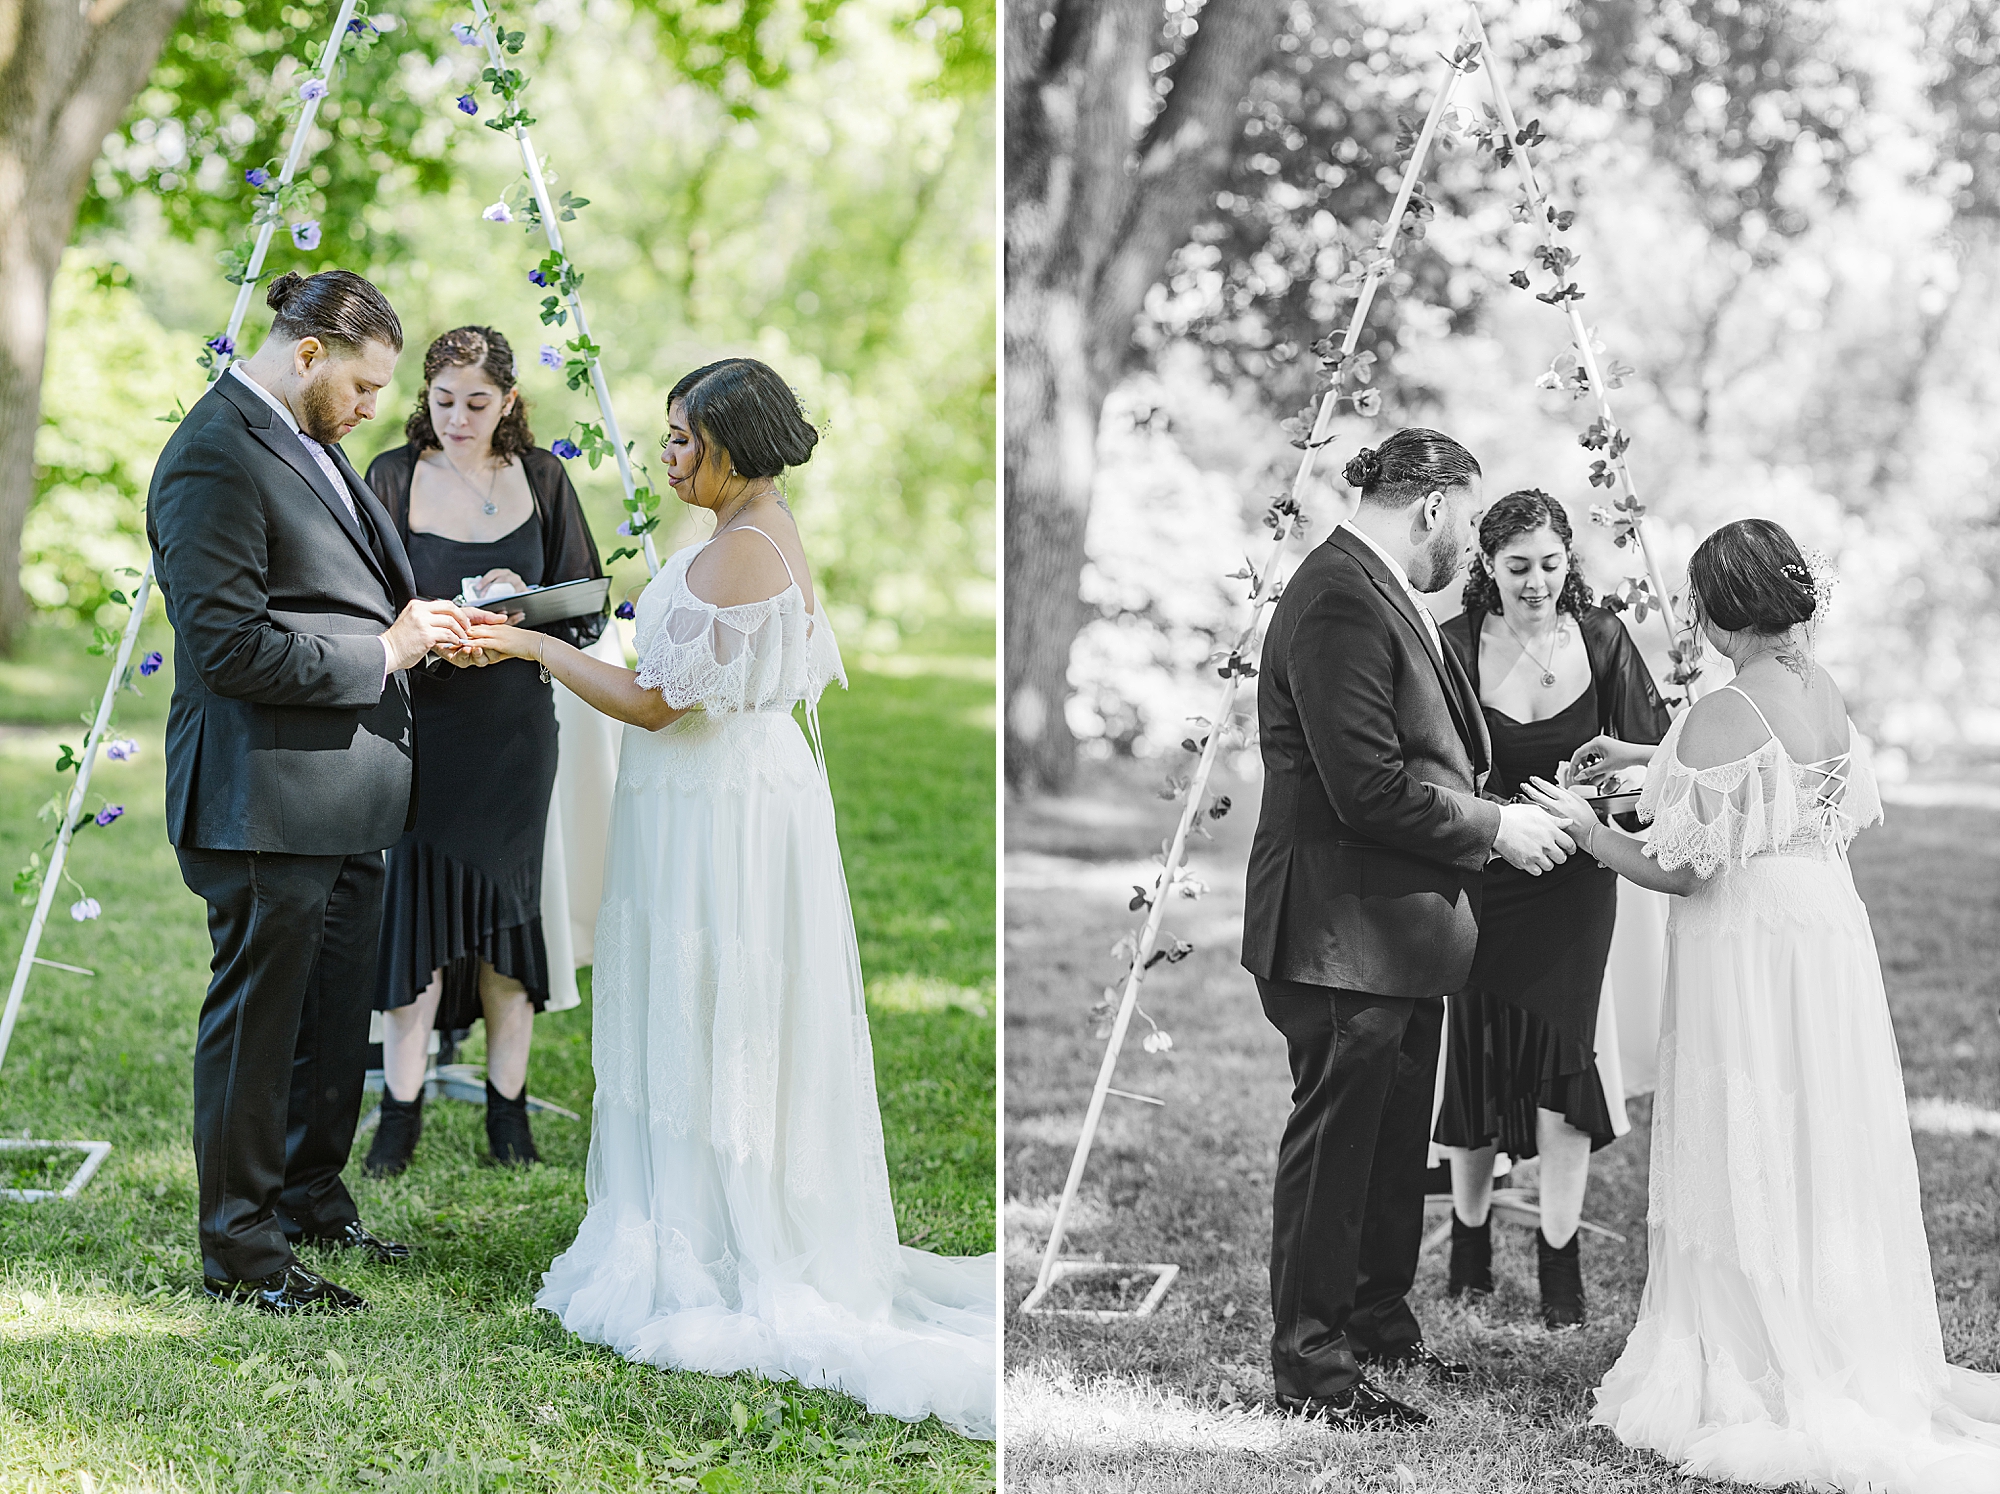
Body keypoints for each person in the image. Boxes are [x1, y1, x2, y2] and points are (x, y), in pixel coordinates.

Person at [457, 357, 996, 1438]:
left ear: (733, 445)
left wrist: (524, 644)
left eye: (679, 440)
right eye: (664, 437)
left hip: (722, 819)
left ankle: (718, 1226)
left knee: (719, 1003)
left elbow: (656, 707)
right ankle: (683, 1202)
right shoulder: (739, 532)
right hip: (712, 802)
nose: (665, 457)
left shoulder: (746, 550)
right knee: (689, 1000)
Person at [1523, 519, 2000, 1492]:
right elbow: (1756, 780)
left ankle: (1753, 1348)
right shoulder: (1814, 689)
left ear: (1710, 610)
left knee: (1748, 1121)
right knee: (1814, 1135)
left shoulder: (1720, 709)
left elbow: (1676, 867)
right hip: (1819, 934)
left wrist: (1581, 826)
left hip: (1746, 942)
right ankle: (1829, 1331)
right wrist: (1638, 752)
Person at [146, 270, 501, 1314]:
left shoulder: (320, 450)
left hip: (347, 798)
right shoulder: (212, 455)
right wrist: (386, 652)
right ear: (306, 355)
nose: (372, 408)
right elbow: (227, 646)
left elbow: (344, 599)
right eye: (363, 383)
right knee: (261, 1026)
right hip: (264, 795)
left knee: (333, 1013)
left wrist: (428, 626)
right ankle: (242, 1254)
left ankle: (309, 1198)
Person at [1239, 429, 1577, 1429]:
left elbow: (1424, 758)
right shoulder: (1340, 595)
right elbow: (1366, 788)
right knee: (1334, 1154)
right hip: (1338, 931)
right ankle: (1311, 1371)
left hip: (1393, 933)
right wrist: (1496, 830)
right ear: (1432, 506)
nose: (1471, 546)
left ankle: (1377, 1326)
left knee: (1389, 1151)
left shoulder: (1376, 588)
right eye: (1471, 522)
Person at [360, 326, 607, 1177]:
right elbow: (360, 605)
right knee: (415, 920)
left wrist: (518, 605)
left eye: (476, 403)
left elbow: (585, 609)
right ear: (422, 399)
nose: (458, 418)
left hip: (511, 732)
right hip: (423, 728)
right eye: (442, 402)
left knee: (509, 923)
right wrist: (427, 630)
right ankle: (400, 1112)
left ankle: (509, 1113)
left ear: (509, 401)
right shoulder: (391, 476)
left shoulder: (543, 478)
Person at [1433, 490, 1672, 1328]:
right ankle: (1468, 1239)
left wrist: (1601, 792)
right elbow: (1428, 772)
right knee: (1475, 1054)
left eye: (1550, 564)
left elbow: (1653, 767)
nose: (1536, 582)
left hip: (1574, 882)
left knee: (1567, 1063)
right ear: (1487, 568)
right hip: (1480, 877)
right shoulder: (1453, 646)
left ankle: (1559, 1259)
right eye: (1517, 566)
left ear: (1569, 561)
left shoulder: (1603, 638)